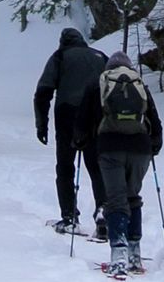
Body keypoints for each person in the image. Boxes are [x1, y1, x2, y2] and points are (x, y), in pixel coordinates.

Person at [75, 45, 162, 273]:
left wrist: (79, 141)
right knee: (133, 197)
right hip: (140, 148)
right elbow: (154, 120)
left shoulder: (98, 83)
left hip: (110, 148)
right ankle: (135, 253)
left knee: (115, 199)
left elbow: (82, 121)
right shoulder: (139, 84)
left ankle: (119, 253)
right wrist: (154, 145)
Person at [33, 26, 109, 234]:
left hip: (68, 115)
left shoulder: (60, 57)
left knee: (66, 167)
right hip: (97, 117)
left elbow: (43, 92)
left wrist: (42, 124)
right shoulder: (100, 56)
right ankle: (103, 211)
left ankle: (69, 217)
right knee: (97, 167)